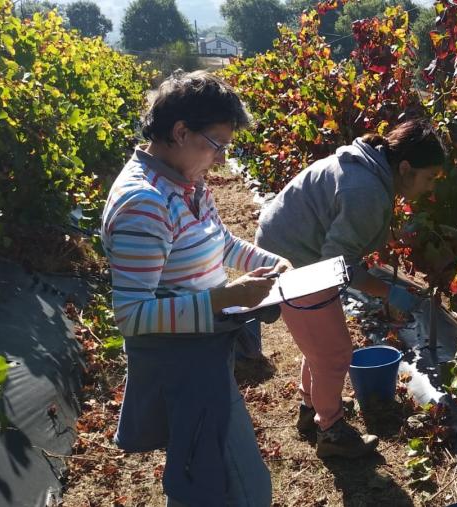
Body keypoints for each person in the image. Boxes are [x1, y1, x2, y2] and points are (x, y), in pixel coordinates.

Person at [100, 70, 292, 507]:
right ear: (180, 131)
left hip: (203, 354)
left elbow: (219, 242)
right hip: (181, 366)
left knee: (203, 477)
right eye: (217, 145)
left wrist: (271, 263)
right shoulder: (144, 203)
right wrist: (225, 299)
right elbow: (131, 316)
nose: (221, 159)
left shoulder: (185, 184)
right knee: (240, 489)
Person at [255, 119, 446, 458]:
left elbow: (347, 227)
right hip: (293, 258)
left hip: (292, 243)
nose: (431, 189)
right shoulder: (367, 191)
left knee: (320, 344)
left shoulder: (371, 167)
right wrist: (389, 292)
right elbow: (337, 267)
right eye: (429, 178)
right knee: (335, 352)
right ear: (405, 167)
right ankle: (331, 433)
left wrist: (397, 236)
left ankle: (309, 409)